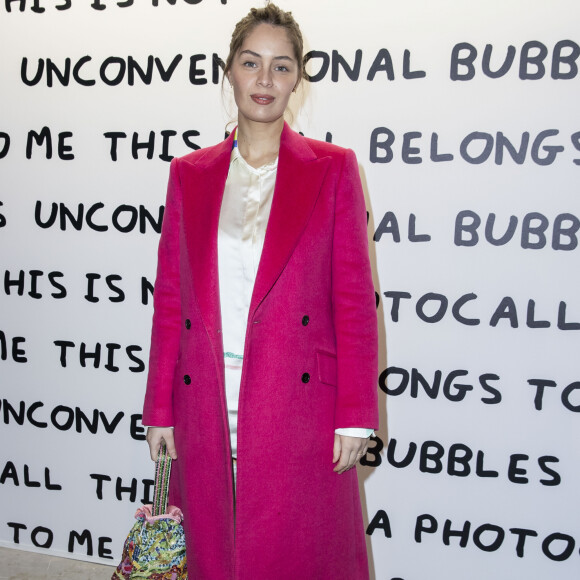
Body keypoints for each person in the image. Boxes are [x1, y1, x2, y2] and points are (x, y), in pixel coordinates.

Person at [142, 3, 378, 579]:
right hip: (205, 395)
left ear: (298, 77)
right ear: (230, 70)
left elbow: (353, 300)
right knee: (215, 553)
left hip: (297, 403)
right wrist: (159, 407)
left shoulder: (334, 168)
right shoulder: (188, 174)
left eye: (281, 66)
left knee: (296, 552)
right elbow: (170, 297)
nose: (265, 81)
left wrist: (355, 415)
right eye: (252, 63)